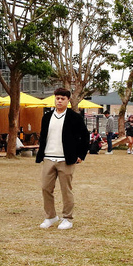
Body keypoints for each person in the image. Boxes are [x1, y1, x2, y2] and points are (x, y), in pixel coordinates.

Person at [36, 88, 89, 230]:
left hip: (66, 159)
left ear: (68, 100)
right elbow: (43, 136)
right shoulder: (47, 117)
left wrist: (80, 155)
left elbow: (85, 136)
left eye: (62, 99)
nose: (59, 101)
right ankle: (51, 216)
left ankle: (67, 218)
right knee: (45, 188)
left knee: (66, 189)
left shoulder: (74, 117)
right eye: (57, 98)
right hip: (48, 157)